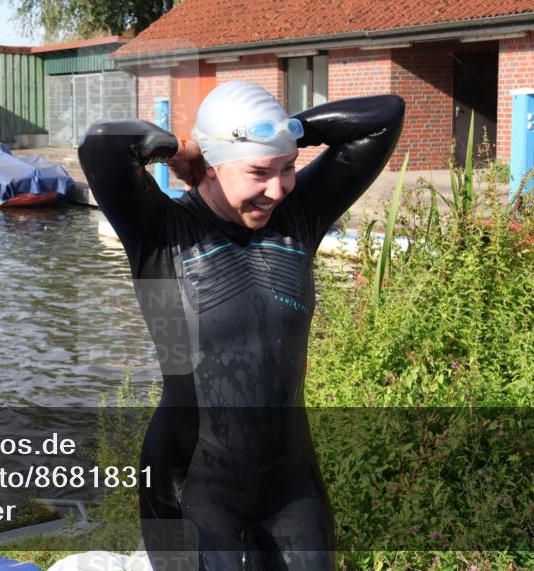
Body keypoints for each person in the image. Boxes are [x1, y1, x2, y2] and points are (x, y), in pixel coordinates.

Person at [79, 81, 404, 570]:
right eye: (258, 171)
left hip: (291, 481)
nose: (278, 188)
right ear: (211, 165)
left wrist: (288, 132)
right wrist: (180, 148)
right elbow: (103, 144)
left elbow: (385, 114)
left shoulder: (299, 219)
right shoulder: (160, 233)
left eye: (288, 168)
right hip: (189, 482)